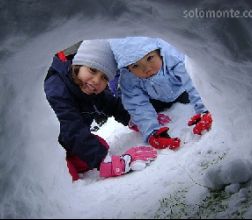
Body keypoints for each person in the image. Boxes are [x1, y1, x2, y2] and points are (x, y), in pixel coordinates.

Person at [44, 39, 157, 182]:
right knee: (65, 177)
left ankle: (71, 157)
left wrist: (138, 119)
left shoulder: (88, 86)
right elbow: (70, 128)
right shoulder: (56, 88)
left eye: (104, 77)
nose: (96, 80)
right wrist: (104, 161)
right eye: (92, 70)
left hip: (66, 142)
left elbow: (112, 104)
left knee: (99, 147)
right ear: (78, 65)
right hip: (46, 149)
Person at [109, 36, 213, 150]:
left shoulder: (173, 56)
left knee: (188, 97)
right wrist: (152, 133)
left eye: (149, 58)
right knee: (142, 109)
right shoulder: (129, 78)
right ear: (127, 68)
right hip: (156, 99)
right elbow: (137, 104)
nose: (146, 69)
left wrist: (205, 109)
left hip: (182, 89)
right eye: (135, 66)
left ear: (159, 51)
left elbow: (192, 81)